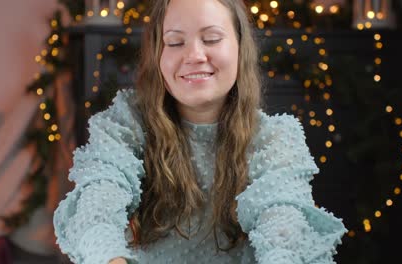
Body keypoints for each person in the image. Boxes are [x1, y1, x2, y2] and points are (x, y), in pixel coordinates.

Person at [53, 0, 348, 263]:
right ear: (158, 54)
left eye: (211, 38)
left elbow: (285, 224)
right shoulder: (124, 125)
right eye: (175, 42)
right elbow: (97, 205)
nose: (194, 55)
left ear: (239, 47)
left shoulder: (274, 138)